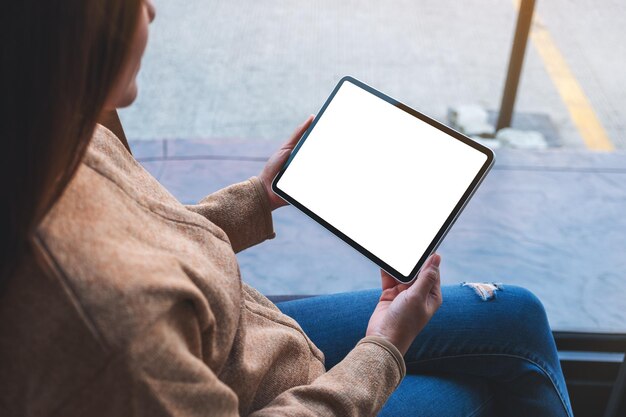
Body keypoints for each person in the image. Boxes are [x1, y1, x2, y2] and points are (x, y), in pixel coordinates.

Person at [0, 1, 573, 416]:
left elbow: (140, 240)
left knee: (517, 313)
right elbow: (132, 292)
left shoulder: (49, 131)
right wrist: (383, 349)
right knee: (476, 396)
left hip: (240, 336)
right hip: (258, 387)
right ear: (65, 35)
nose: (150, 12)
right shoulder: (113, 335)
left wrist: (260, 195)